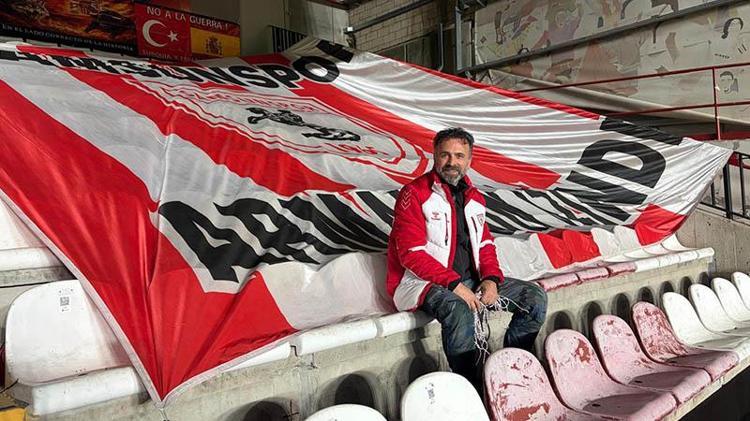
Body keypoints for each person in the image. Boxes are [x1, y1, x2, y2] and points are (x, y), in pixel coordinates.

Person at [386, 127, 548, 391]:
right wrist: (455, 285)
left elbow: (485, 244)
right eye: (445, 155)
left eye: (459, 156)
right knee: (458, 308)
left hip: (468, 282)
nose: (452, 162)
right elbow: (410, 254)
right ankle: (473, 388)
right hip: (423, 283)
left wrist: (491, 279)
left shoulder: (475, 198)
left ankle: (512, 372)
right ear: (435, 156)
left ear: (469, 161)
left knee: (535, 298)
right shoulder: (413, 193)